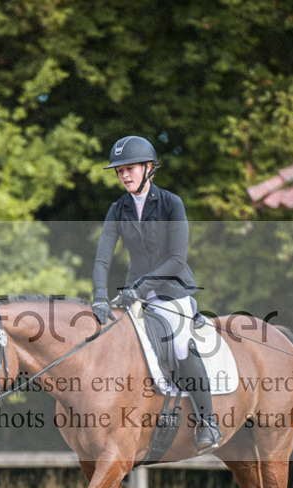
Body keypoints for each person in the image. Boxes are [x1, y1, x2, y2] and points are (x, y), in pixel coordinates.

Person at [91, 135, 221, 454]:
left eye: (130, 168)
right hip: (134, 296)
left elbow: (177, 258)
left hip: (171, 292)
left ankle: (209, 422)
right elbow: (102, 258)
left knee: (179, 344)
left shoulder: (170, 203)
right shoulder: (117, 209)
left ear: (149, 168)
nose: (123, 175)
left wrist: (140, 289)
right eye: (119, 170)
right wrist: (98, 297)